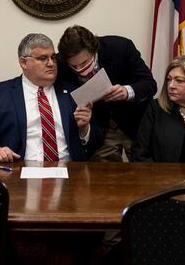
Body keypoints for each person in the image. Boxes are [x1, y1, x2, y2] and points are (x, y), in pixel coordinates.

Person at [0, 33, 103, 163]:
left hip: (69, 173)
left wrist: (84, 129)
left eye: (53, 57)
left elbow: (97, 142)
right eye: (43, 58)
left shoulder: (73, 93)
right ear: (23, 62)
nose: (51, 63)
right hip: (17, 172)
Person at [57, 25, 156, 162]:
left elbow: (150, 84)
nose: (80, 70)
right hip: (100, 130)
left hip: (135, 125)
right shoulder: (60, 63)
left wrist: (127, 91)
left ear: (94, 49)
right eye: (74, 66)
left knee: (145, 174)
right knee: (102, 178)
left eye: (85, 63)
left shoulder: (121, 48)